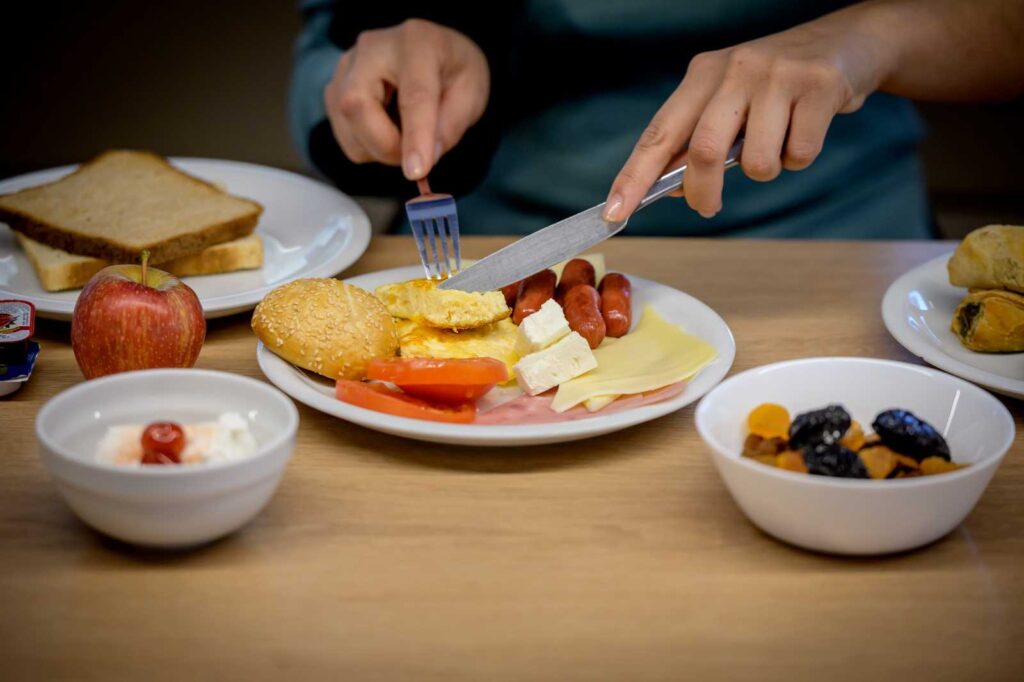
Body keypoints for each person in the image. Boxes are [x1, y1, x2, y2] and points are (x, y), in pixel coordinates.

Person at [289, 1, 1024, 239]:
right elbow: (328, 36)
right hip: (505, 229)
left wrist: (876, 35)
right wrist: (367, 83)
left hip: (840, 240)